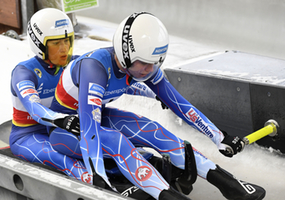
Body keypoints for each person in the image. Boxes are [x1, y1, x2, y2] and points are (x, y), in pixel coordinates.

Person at [47, 12, 265, 200]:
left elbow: (180, 104)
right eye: (144, 62)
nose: (149, 70)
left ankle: (226, 182)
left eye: (155, 62)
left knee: (151, 129)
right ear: (126, 53)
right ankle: (165, 194)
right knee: (116, 141)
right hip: (63, 130)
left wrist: (219, 136)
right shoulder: (95, 68)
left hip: (94, 117)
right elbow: (89, 129)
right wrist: (98, 177)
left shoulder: (142, 65)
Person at [9, 8, 92, 182]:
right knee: (66, 161)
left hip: (60, 130)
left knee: (99, 147)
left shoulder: (73, 64)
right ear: (39, 44)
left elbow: (112, 75)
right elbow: (34, 108)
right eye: (56, 43)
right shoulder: (24, 72)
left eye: (67, 41)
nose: (64, 49)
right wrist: (62, 119)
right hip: (27, 136)